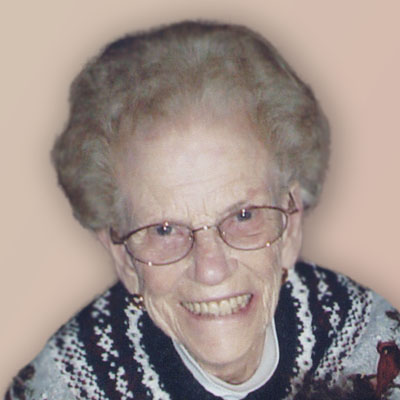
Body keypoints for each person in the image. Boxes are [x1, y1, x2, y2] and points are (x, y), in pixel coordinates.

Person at [5, 21, 400, 400]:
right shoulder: (65, 385)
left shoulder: (371, 342)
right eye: (164, 230)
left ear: (291, 222)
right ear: (123, 256)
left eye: (244, 216)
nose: (210, 269)